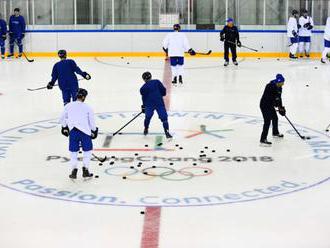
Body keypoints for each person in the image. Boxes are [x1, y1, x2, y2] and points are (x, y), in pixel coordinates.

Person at [60, 88, 98, 179]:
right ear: (84, 97)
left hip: (73, 132)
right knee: (87, 151)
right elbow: (92, 123)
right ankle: (85, 170)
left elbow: (62, 118)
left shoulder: (68, 106)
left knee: (73, 152)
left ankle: (74, 171)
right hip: (85, 133)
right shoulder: (88, 108)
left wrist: (64, 127)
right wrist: (94, 130)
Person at [140, 72, 172, 139]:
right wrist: (161, 94)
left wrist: (144, 106)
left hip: (149, 105)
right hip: (159, 102)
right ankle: (167, 132)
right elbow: (163, 90)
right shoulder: (156, 82)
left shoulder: (142, 88)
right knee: (164, 119)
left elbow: (143, 98)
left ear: (143, 79)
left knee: (147, 117)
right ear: (151, 77)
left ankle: (146, 128)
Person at [260, 74, 286, 146]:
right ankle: (263, 139)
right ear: (278, 82)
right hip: (264, 105)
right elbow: (271, 98)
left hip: (270, 105)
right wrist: (277, 105)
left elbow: (279, 98)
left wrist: (280, 107)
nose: (283, 84)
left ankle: (275, 132)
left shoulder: (279, 87)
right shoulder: (269, 86)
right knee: (267, 121)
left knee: (275, 118)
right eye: (282, 82)